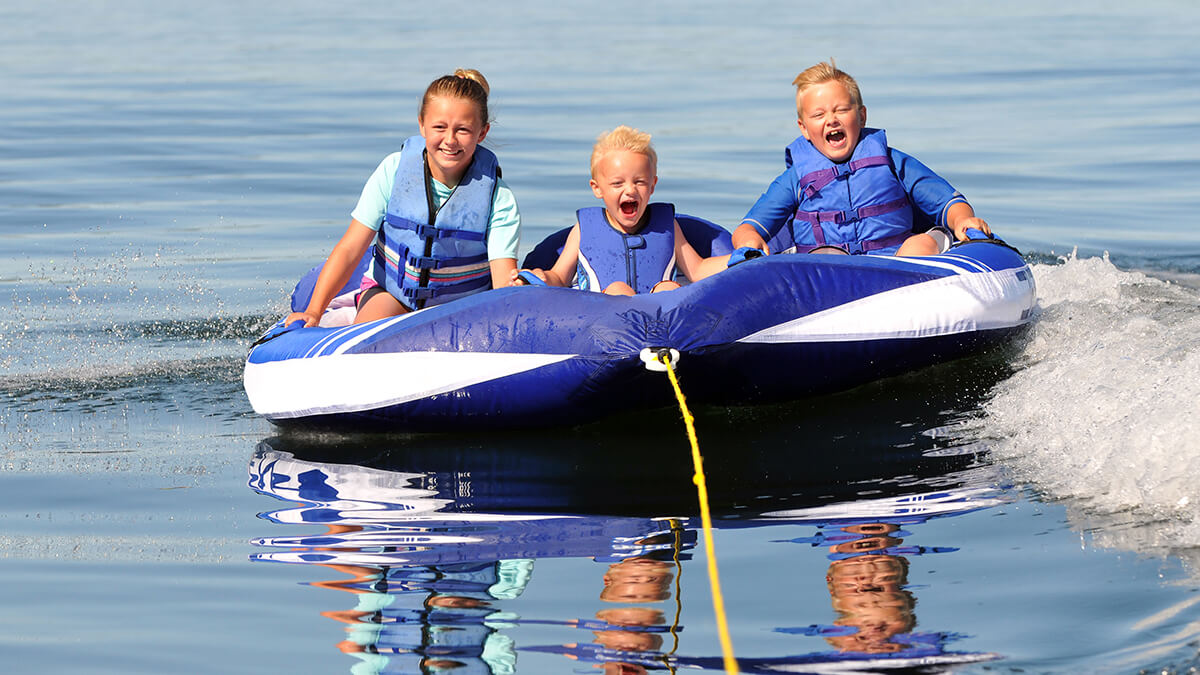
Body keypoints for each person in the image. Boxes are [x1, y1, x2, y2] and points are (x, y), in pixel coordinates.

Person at [286, 69, 521, 327]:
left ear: (482, 132)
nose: (450, 141)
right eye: (439, 127)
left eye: (463, 130)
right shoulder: (393, 171)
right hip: (392, 293)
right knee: (373, 327)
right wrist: (314, 311)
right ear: (422, 124)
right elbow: (351, 248)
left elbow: (501, 282)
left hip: (462, 306)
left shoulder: (499, 197)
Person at [730, 60, 991, 258]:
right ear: (803, 128)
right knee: (825, 258)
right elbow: (748, 228)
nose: (831, 119)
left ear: (862, 116)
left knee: (918, 245)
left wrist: (962, 220)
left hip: (902, 261)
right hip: (838, 275)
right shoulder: (795, 179)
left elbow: (946, 200)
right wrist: (748, 240)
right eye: (818, 115)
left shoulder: (891, 162)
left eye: (842, 110)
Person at [511, 125, 724, 295]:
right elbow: (559, 277)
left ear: (652, 186)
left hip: (659, 318)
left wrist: (743, 259)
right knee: (618, 290)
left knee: (668, 288)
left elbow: (698, 270)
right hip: (606, 321)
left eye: (640, 182)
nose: (630, 190)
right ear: (597, 188)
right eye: (617, 184)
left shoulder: (667, 227)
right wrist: (538, 277)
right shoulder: (585, 229)